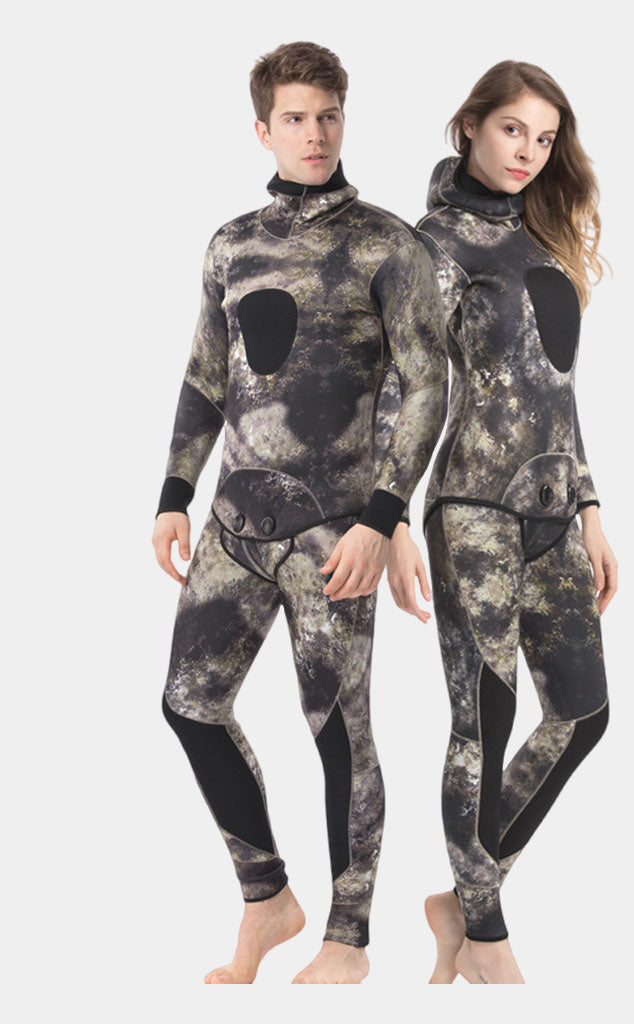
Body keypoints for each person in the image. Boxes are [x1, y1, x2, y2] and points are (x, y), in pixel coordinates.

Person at [152, 40, 447, 985]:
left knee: (338, 728)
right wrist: (172, 495)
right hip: (234, 526)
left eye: (327, 116)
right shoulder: (229, 244)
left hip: (337, 534)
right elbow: (206, 376)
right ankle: (267, 899)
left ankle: (347, 940)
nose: (313, 134)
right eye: (294, 118)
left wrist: (384, 518)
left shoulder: (389, 245)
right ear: (262, 129)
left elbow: (427, 384)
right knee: (189, 705)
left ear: (343, 120)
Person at [415, 60, 618, 984]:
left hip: (551, 514)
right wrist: (387, 521)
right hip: (472, 510)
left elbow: (556, 393)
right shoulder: (433, 245)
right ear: (470, 125)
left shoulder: (542, 240)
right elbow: (406, 393)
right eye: (512, 130)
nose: (529, 152)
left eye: (544, 138)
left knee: (583, 714)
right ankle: (488, 943)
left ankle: (461, 898)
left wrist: (591, 510)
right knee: (484, 723)